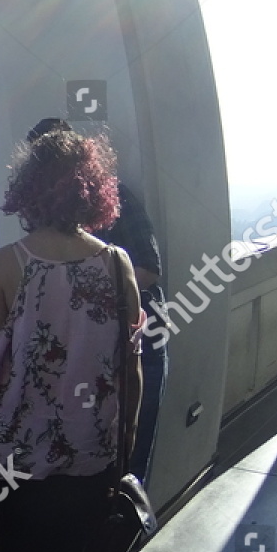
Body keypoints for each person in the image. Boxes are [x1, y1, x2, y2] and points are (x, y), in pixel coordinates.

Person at [0, 126, 144, 552]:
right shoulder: (119, 265)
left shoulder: (7, 263)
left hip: (22, 450)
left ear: (29, 188)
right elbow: (130, 367)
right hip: (93, 448)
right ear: (91, 190)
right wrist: (127, 442)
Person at [27, 119, 167, 485]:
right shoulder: (46, 224)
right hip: (87, 358)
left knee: (129, 466)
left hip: (138, 348)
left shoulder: (117, 200)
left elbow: (150, 271)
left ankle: (126, 536)